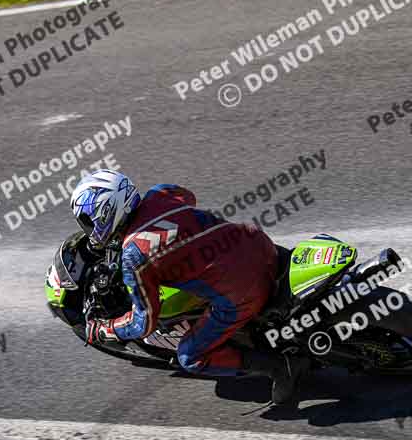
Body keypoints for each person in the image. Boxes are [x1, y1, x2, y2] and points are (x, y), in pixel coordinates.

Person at [71, 169, 309, 404]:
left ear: (105, 213)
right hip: (259, 244)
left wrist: (104, 330)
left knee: (190, 356)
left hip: (244, 292)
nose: (89, 230)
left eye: (88, 221)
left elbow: (143, 323)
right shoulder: (161, 193)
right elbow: (188, 196)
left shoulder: (134, 257)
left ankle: (281, 367)